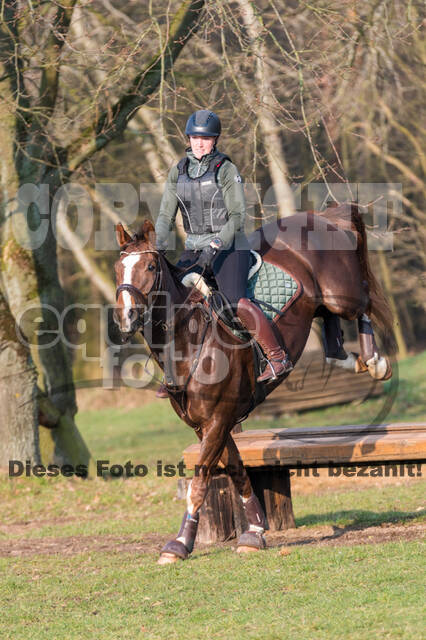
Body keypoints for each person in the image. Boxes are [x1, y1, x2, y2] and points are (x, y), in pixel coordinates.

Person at [154, 109, 292, 396]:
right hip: (193, 248)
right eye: (195, 137)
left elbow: (238, 215)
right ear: (189, 139)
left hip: (230, 246)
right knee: (170, 302)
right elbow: (166, 215)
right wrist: (159, 245)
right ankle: (174, 372)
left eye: (205, 138)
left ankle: (277, 357)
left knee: (233, 301)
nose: (199, 143)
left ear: (215, 140)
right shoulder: (177, 172)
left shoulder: (225, 169)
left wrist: (217, 243)